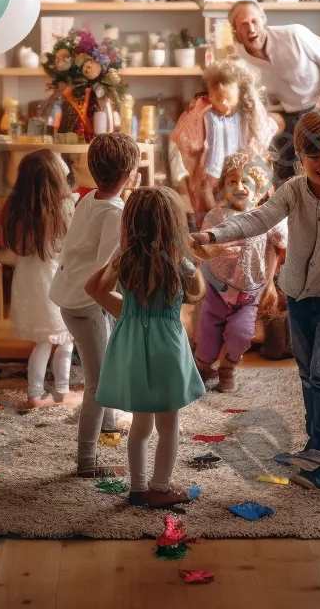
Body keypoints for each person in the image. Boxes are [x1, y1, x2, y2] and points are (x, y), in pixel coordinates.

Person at [192, 108, 320, 490]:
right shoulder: (293, 191)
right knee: (309, 372)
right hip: (297, 293)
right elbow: (257, 219)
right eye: (315, 156)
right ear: (301, 157)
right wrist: (214, 236)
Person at [87, 187, 206, 508]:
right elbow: (197, 292)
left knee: (141, 424)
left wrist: (129, 312)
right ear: (172, 225)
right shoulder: (180, 265)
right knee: (169, 426)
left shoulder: (124, 261)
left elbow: (93, 289)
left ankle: (138, 489)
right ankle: (161, 487)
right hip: (167, 348)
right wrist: (187, 249)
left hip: (131, 347)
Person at [49, 133, 141, 478]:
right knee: (97, 385)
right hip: (84, 303)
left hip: (70, 296)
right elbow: (107, 273)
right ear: (131, 174)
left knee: (101, 369)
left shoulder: (90, 199)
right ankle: (86, 462)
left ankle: (109, 426)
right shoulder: (116, 214)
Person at [194, 153, 287, 392]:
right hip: (216, 287)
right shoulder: (217, 215)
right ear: (224, 187)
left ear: (260, 190)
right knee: (206, 332)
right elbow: (204, 244)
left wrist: (282, 230)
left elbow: (282, 240)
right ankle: (203, 367)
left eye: (247, 182)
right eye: (232, 181)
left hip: (249, 293)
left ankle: (228, 367)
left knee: (242, 333)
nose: (239, 187)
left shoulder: (266, 216)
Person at [228, 0, 320, 183]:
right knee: (282, 177)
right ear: (235, 31)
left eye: (254, 21)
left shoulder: (294, 34)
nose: (251, 28)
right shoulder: (238, 59)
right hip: (282, 118)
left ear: (263, 20)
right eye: (244, 24)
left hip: (318, 105)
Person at [0, 149, 81, 408]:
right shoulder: (64, 208)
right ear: (54, 176)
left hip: (29, 282)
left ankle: (41, 392)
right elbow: (71, 245)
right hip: (55, 281)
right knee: (64, 338)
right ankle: (53, 392)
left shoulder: (20, 209)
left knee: (46, 340)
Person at [172, 59, 276, 225]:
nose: (224, 103)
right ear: (210, 95)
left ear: (239, 95)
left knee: (242, 201)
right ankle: (215, 228)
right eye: (218, 98)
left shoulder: (246, 114)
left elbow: (259, 135)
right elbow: (191, 139)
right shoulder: (205, 113)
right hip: (214, 166)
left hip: (239, 166)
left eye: (228, 99)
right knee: (209, 201)